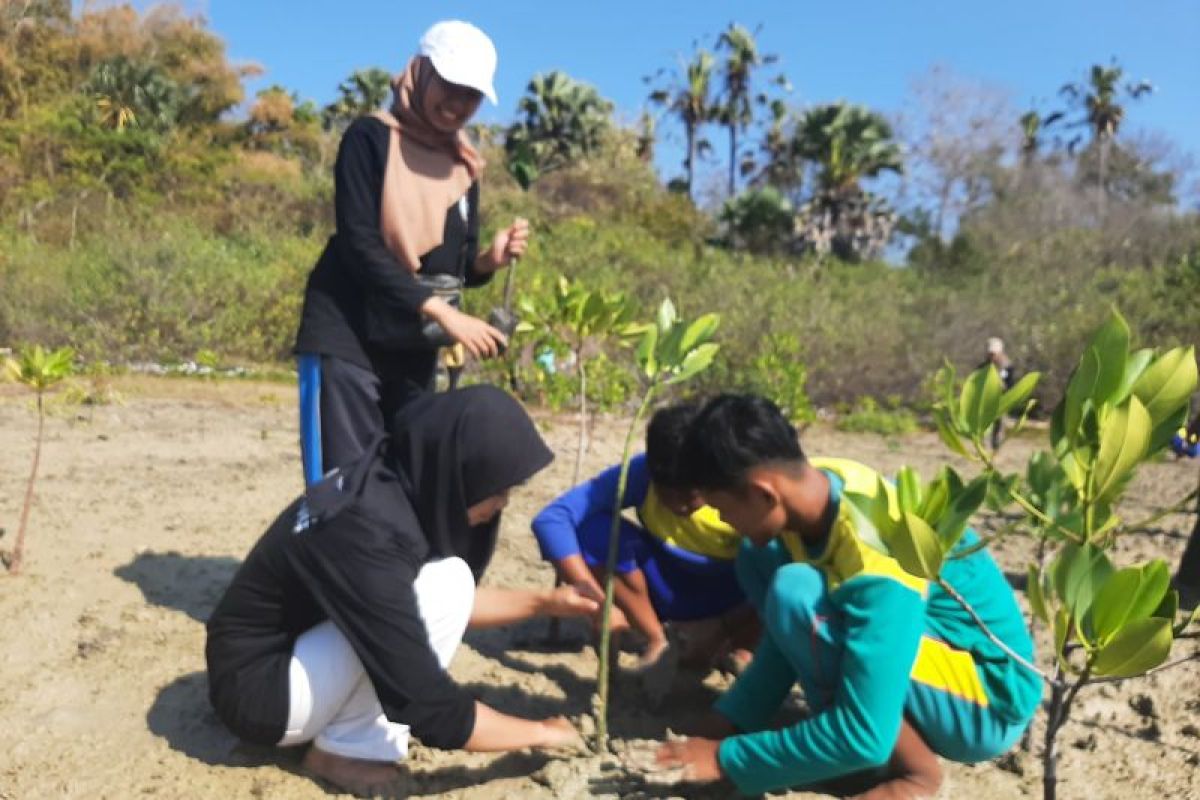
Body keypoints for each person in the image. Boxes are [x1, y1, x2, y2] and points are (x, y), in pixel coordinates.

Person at [206, 386, 597, 796]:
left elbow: (421, 605)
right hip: (259, 694)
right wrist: (541, 733)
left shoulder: (392, 483)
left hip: (280, 658)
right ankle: (342, 753)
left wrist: (549, 603)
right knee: (443, 587)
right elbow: (426, 705)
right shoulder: (369, 532)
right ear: (457, 470)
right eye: (495, 488)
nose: (502, 502)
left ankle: (339, 731)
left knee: (449, 580)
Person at [653, 394, 1041, 799]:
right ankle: (852, 755)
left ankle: (915, 776)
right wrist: (730, 721)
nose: (720, 521)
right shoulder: (817, 487)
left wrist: (725, 759)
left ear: (764, 494)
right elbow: (785, 643)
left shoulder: (874, 553)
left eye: (720, 508)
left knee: (798, 596)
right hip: (931, 658)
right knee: (776, 575)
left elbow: (864, 734)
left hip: (987, 701)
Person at [295, 20, 529, 485]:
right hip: (348, 338)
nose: (459, 104)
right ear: (419, 71)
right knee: (342, 487)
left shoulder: (463, 164)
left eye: (472, 94)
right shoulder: (369, 139)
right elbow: (361, 246)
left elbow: (451, 267)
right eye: (450, 86)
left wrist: (488, 260)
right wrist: (444, 314)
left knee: (403, 484)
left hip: (411, 345)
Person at [531, 404, 758, 672]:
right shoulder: (641, 474)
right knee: (591, 531)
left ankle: (742, 649)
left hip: (733, 595)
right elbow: (553, 520)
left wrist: (722, 627)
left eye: (691, 496)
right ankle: (655, 639)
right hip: (665, 591)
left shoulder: (741, 489)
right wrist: (598, 603)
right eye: (669, 495)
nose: (681, 507)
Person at [980, 337, 1015, 451]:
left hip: (1001, 401)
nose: (992, 356)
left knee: (999, 426)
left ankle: (997, 449)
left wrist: (1001, 386)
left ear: (1000, 352)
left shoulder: (1008, 367)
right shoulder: (982, 367)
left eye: (994, 353)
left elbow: (1011, 385)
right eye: (990, 353)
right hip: (986, 402)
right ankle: (984, 449)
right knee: (985, 426)